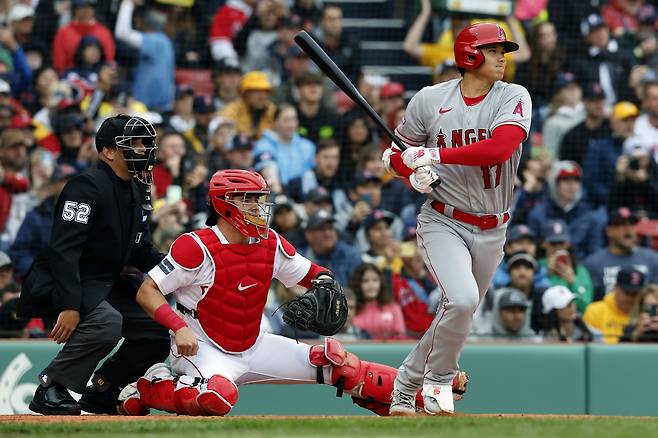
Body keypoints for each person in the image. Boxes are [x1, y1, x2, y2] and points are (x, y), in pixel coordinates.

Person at [119, 169, 467, 417]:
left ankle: (426, 393)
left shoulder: (270, 243)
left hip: (253, 344)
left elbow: (311, 274)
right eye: (249, 201)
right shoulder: (195, 246)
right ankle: (152, 384)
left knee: (336, 363)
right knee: (218, 398)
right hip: (204, 348)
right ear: (225, 204)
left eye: (260, 200)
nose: (258, 207)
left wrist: (326, 284)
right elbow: (148, 291)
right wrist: (177, 326)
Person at [383, 22, 531, 415]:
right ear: (469, 55)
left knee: (457, 311)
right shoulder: (430, 100)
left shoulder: (513, 95)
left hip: (493, 226)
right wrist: (408, 168)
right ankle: (437, 383)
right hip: (443, 219)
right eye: (494, 49)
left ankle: (403, 387)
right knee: (462, 300)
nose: (502, 57)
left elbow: (499, 148)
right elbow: (396, 154)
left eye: (504, 50)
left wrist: (432, 156)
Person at [19, 115, 168, 415]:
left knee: (155, 328)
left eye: (145, 144)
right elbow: (64, 252)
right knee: (106, 322)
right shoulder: (85, 186)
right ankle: (51, 386)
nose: (143, 150)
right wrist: (70, 304)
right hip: (63, 280)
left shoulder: (137, 190)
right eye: (134, 144)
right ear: (108, 152)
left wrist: (184, 267)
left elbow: (141, 252)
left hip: (105, 283)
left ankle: (103, 388)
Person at [583, 207, 658, 300]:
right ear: (609, 231)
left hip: (641, 313)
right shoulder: (593, 264)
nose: (628, 229)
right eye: (621, 224)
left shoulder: (653, 260)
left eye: (631, 224)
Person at [583, 267, 645, 344]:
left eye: (634, 294)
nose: (630, 298)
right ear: (615, 288)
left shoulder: (644, 313)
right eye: (627, 292)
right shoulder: (594, 311)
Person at [349, 263, 406, 340]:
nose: (371, 285)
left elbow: (401, 337)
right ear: (358, 284)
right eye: (366, 281)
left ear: (381, 283)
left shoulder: (394, 308)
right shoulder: (351, 308)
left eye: (375, 280)